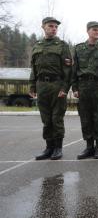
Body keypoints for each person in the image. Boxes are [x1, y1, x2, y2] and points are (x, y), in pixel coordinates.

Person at [29, 17, 72, 160]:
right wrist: (32, 85)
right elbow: (33, 68)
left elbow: (68, 70)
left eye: (55, 27)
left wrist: (65, 88)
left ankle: (58, 148)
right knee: (46, 119)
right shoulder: (37, 45)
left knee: (56, 118)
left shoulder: (62, 45)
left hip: (56, 85)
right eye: (51, 26)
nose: (53, 29)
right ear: (43, 27)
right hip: (42, 85)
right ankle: (48, 148)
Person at [72, 21, 98, 160]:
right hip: (83, 87)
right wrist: (75, 88)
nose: (97, 32)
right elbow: (74, 70)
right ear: (88, 31)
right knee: (85, 118)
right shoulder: (78, 48)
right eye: (95, 30)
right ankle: (88, 147)